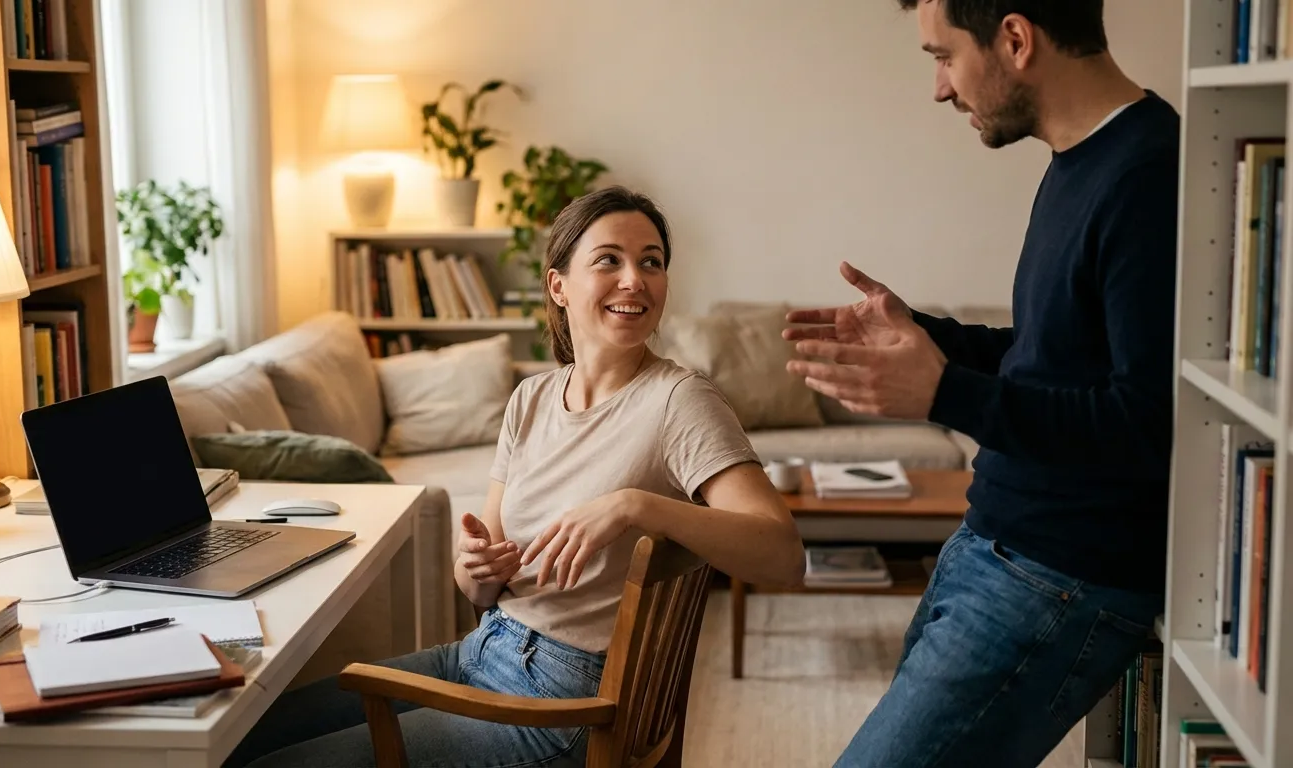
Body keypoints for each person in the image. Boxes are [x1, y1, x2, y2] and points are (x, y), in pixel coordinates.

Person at [224, 186, 807, 768]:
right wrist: (475, 566)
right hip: (484, 649)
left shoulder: (679, 402)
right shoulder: (530, 399)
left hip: (564, 703)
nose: (636, 279)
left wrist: (636, 505)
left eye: (651, 261)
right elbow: (480, 586)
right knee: (246, 732)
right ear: (558, 286)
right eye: (609, 259)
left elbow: (783, 555)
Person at [782, 2, 1177, 766]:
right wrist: (926, 336)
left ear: (1016, 39)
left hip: (1059, 577)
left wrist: (942, 393)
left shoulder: (1148, 175)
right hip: (993, 544)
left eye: (944, 56)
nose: (939, 87)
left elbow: (1145, 424)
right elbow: (1049, 356)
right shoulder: (1081, 160)